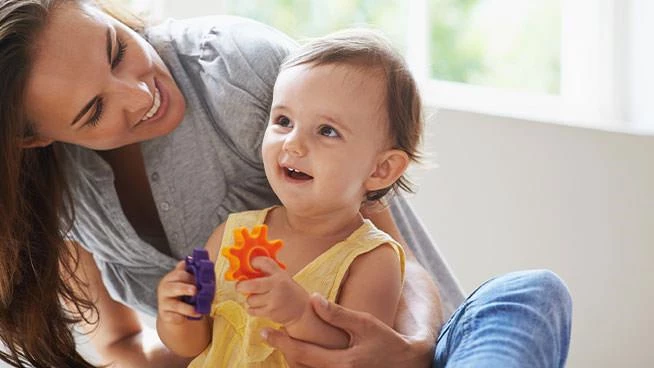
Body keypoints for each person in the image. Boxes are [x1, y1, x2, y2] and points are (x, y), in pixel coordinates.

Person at [0, 0, 572, 367]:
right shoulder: (219, 232)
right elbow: (135, 346)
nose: (140, 92)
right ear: (32, 138)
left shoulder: (238, 69)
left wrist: (412, 346)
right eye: (93, 110)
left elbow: (392, 262)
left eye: (117, 49)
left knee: (530, 293)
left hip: (410, 346)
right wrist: (184, 317)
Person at [156, 29, 417, 367]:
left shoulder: (372, 260)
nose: (293, 143)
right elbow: (192, 345)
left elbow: (359, 356)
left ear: (381, 169)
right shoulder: (232, 234)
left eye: (327, 131)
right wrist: (178, 315)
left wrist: (300, 316)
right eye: (283, 121)